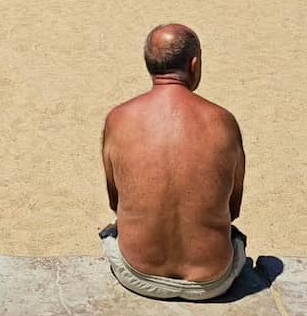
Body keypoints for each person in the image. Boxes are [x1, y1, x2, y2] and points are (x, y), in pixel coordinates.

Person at [100, 24, 247, 301]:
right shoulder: (223, 121)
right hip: (212, 282)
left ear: (149, 64)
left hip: (137, 275)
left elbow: (115, 201)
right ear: (194, 65)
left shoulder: (118, 118)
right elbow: (233, 208)